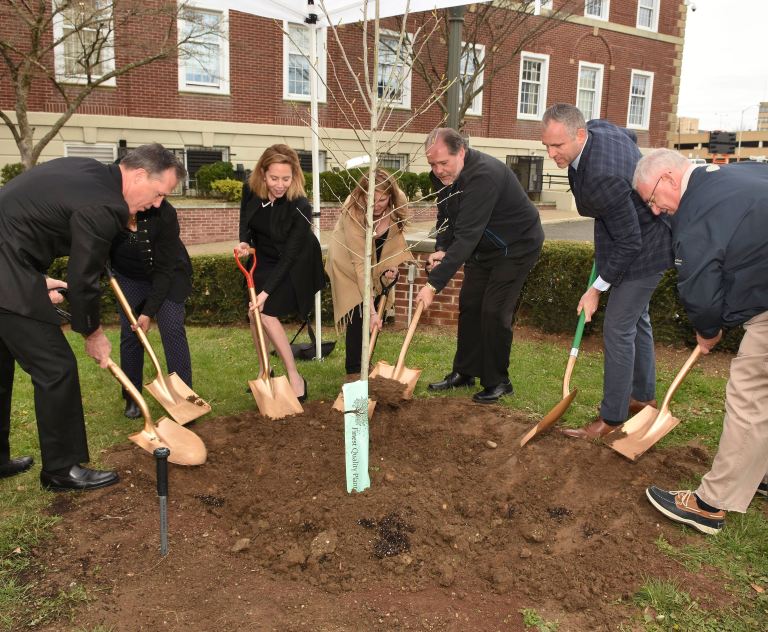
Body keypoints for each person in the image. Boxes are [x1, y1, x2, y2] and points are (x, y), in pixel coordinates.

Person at [0, 143, 184, 490]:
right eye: (159, 193)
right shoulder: (107, 204)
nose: (157, 204)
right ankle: (61, 468)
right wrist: (92, 333)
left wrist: (35, 281)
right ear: (140, 175)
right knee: (57, 368)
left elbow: (21, 221)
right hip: (8, 271)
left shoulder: (89, 172)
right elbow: (82, 280)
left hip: (10, 263)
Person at [633, 149, 768, 535]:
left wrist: (708, 330)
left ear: (670, 180)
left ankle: (711, 504)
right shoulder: (735, 175)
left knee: (750, 394)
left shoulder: (695, 211)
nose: (656, 210)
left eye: (652, 199)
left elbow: (699, 286)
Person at [540, 104, 673, 439]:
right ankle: (643, 398)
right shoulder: (599, 128)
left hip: (646, 248)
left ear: (581, 134)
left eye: (559, 146)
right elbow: (628, 135)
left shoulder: (602, 177)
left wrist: (596, 288)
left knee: (617, 328)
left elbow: (630, 241)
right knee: (636, 321)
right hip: (635, 236)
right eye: (547, 146)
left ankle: (611, 420)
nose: (552, 153)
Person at [416, 128, 544, 403]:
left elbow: (467, 235)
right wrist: (441, 248)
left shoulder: (484, 176)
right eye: (433, 164)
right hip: (482, 249)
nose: (438, 170)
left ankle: (499, 381)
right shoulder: (444, 177)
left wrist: (432, 285)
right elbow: (447, 216)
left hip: (515, 247)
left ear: (461, 152)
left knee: (494, 310)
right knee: (471, 305)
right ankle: (465, 371)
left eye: (444, 163)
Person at [235, 144, 325, 401]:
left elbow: (290, 256)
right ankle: (265, 369)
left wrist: (266, 292)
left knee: (264, 311)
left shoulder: (300, 205)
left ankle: (295, 376)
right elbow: (246, 219)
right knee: (254, 315)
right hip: (264, 255)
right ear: (263, 173)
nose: (279, 184)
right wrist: (244, 242)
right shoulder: (250, 189)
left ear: (294, 176)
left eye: (286, 178)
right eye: (274, 178)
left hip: (296, 261)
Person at [110, 197, 194, 419]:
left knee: (172, 330)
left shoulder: (164, 212)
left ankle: (183, 395)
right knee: (131, 334)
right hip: (128, 277)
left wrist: (148, 312)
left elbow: (165, 270)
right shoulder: (107, 208)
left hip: (168, 273)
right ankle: (132, 397)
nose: (159, 200)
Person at [325, 169, 412, 377]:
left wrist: (392, 264)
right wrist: (371, 312)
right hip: (347, 259)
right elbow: (359, 264)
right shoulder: (352, 211)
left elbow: (395, 239)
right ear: (362, 193)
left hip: (377, 255)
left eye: (383, 199)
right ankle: (354, 371)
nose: (377, 204)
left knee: (377, 304)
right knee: (360, 310)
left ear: (390, 196)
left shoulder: (399, 202)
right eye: (371, 198)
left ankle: (366, 362)